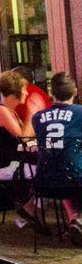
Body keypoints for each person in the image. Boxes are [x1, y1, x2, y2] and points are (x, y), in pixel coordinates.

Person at [31, 71, 82, 243]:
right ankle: (78, 220)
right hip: (73, 179)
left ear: (51, 93)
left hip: (45, 180)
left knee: (65, 165)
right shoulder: (80, 113)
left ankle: (75, 219)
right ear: (75, 91)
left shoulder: (37, 117)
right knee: (72, 167)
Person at [0, 70, 34, 181]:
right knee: (42, 170)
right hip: (4, 166)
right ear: (15, 91)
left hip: (13, 163)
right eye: (24, 89)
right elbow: (23, 138)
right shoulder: (1, 111)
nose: (26, 93)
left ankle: (32, 199)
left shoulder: (11, 111)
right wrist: (32, 115)